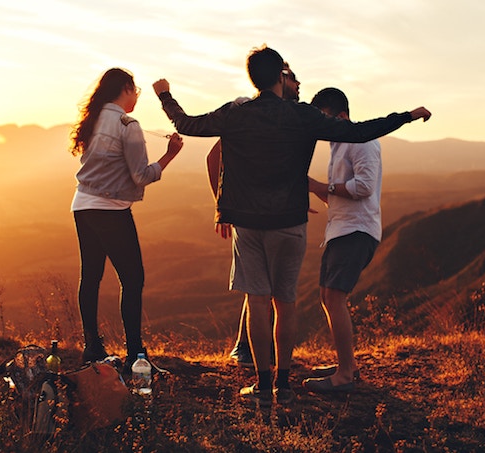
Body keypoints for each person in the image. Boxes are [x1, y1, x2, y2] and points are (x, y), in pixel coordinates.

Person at [153, 45, 431, 407]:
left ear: (253, 77)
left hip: (249, 223)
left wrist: (165, 96)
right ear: (280, 78)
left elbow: (188, 124)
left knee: (258, 303)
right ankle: (284, 384)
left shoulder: (236, 114)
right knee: (286, 302)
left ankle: (263, 386)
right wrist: (407, 116)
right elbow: (361, 131)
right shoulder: (301, 116)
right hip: (290, 221)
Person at [70, 68, 184, 371]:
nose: (136, 97)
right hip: (111, 209)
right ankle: (136, 356)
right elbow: (141, 175)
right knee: (133, 279)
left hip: (82, 204)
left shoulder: (93, 119)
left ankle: (92, 348)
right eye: (135, 91)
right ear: (125, 88)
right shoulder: (127, 124)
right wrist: (170, 154)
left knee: (91, 276)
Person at [206, 63, 301, 368]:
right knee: (259, 288)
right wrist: (222, 206)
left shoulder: (284, 117)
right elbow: (213, 156)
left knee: (262, 287)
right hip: (252, 214)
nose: (300, 85)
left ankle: (254, 354)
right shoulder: (249, 113)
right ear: (278, 80)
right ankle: (247, 351)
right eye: (293, 78)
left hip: (271, 211)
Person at [302, 87, 383, 393]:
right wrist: (313, 188)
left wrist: (323, 186)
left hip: (356, 230)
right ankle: (345, 364)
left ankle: (345, 375)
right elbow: (338, 192)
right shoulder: (339, 144)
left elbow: (363, 187)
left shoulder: (360, 141)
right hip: (341, 229)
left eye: (322, 118)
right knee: (327, 296)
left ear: (341, 115)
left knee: (334, 297)